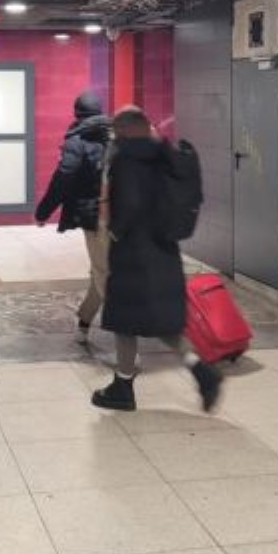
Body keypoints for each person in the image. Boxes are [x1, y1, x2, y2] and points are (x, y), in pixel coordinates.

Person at [92, 106, 222, 413]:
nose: (114, 136)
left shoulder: (127, 159)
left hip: (134, 254)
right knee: (163, 321)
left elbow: (130, 203)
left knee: (125, 319)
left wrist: (115, 232)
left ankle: (123, 388)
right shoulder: (166, 155)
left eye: (116, 130)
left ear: (126, 130)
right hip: (164, 250)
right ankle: (201, 371)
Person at [35, 90, 111, 343]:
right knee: (101, 269)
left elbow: (63, 178)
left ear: (76, 113)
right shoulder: (115, 135)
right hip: (123, 215)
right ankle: (84, 322)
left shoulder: (76, 141)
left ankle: (126, 338)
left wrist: (43, 211)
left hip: (97, 217)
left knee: (103, 272)